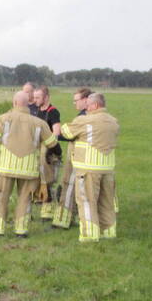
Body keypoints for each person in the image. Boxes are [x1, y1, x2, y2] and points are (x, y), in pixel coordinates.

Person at [0, 90, 59, 237]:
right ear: (29, 103)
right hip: (28, 169)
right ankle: (21, 230)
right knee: (25, 199)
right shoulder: (39, 123)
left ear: (14, 103)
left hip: (6, 167)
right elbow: (53, 145)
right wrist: (58, 156)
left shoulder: (3, 118)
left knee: (1, 196)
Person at [57, 92, 119, 243]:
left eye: (88, 105)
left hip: (88, 169)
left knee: (87, 201)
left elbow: (66, 132)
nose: (87, 108)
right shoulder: (113, 121)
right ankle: (108, 232)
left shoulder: (85, 120)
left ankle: (89, 235)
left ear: (95, 105)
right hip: (107, 168)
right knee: (106, 202)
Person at [51, 87, 92, 229]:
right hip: (96, 162)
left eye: (76, 101)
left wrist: (54, 133)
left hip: (77, 158)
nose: (74, 104)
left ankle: (62, 221)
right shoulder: (102, 117)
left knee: (68, 186)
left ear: (86, 100)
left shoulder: (82, 118)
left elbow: (65, 134)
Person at [31, 86, 62, 220]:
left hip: (47, 152)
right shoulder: (37, 110)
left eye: (38, 97)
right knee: (36, 180)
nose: (35, 100)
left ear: (46, 97)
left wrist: (49, 148)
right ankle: (39, 205)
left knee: (47, 181)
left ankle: (48, 212)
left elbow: (56, 132)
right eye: (34, 97)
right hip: (37, 150)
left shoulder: (53, 112)